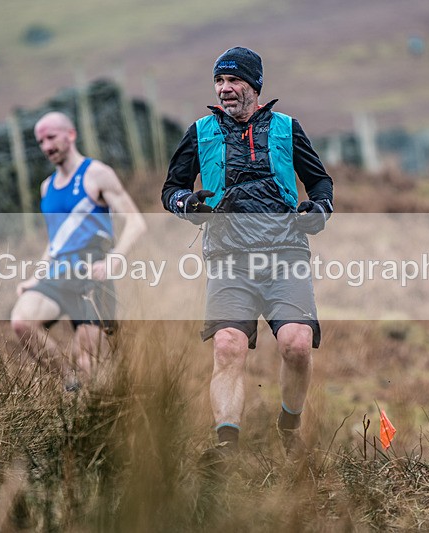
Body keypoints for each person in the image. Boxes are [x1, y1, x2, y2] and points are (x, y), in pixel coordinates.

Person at [161, 47, 334, 461]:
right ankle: (226, 450)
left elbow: (321, 183)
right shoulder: (199, 132)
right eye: (219, 82)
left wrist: (318, 210)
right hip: (228, 258)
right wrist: (188, 204)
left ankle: (289, 429)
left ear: (255, 86)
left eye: (234, 81)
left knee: (296, 344)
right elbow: (171, 190)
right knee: (227, 346)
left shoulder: (288, 129)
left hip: (285, 254)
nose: (225, 89)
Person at [11, 111, 146, 389]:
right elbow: (56, 242)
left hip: (94, 275)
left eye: (51, 137)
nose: (46, 146)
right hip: (59, 273)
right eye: (40, 141)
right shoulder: (46, 187)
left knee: (88, 362)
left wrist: (114, 260)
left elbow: (136, 222)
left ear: (70, 135)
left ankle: (91, 408)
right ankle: (69, 382)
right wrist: (36, 276)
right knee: (22, 322)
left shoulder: (97, 174)